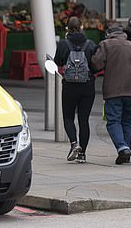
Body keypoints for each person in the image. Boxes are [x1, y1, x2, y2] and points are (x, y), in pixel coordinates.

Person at [91, 23, 131, 164]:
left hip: (113, 91)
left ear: (109, 34)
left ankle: (122, 147)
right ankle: (126, 150)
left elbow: (96, 64)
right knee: (127, 121)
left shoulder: (106, 45)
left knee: (113, 121)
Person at [54, 16, 98, 164]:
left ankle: (74, 144)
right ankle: (83, 154)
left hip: (69, 86)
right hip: (87, 86)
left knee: (68, 117)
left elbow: (57, 62)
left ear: (67, 28)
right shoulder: (90, 44)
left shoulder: (63, 44)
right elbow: (95, 65)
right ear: (82, 27)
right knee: (84, 120)